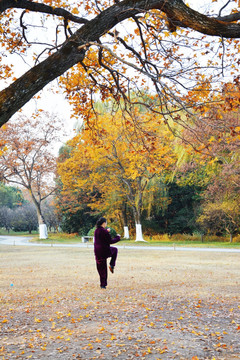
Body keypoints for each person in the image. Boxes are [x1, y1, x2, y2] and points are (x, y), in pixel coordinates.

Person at [94, 217, 121, 289]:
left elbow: (101, 237)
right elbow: (110, 241)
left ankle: (103, 284)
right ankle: (112, 265)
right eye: (106, 223)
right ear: (104, 223)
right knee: (115, 250)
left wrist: (106, 231)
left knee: (101, 268)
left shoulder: (96, 230)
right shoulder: (104, 231)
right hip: (104, 250)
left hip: (97, 251)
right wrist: (118, 237)